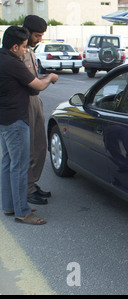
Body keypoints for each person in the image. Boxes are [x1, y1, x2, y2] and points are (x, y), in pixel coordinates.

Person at [0, 26, 58, 225]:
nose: (25, 50)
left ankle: (10, 205)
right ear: (15, 46)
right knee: (19, 166)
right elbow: (38, 85)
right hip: (16, 120)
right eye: (23, 47)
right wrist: (50, 77)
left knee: (7, 163)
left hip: (4, 119)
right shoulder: (13, 63)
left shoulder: (2, 57)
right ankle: (23, 211)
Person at [22, 15, 52, 205]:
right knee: (31, 148)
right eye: (37, 35)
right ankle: (27, 188)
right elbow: (31, 84)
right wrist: (48, 79)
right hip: (26, 102)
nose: (39, 39)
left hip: (35, 101)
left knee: (40, 146)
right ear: (27, 32)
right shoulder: (19, 51)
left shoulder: (30, 51)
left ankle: (32, 183)